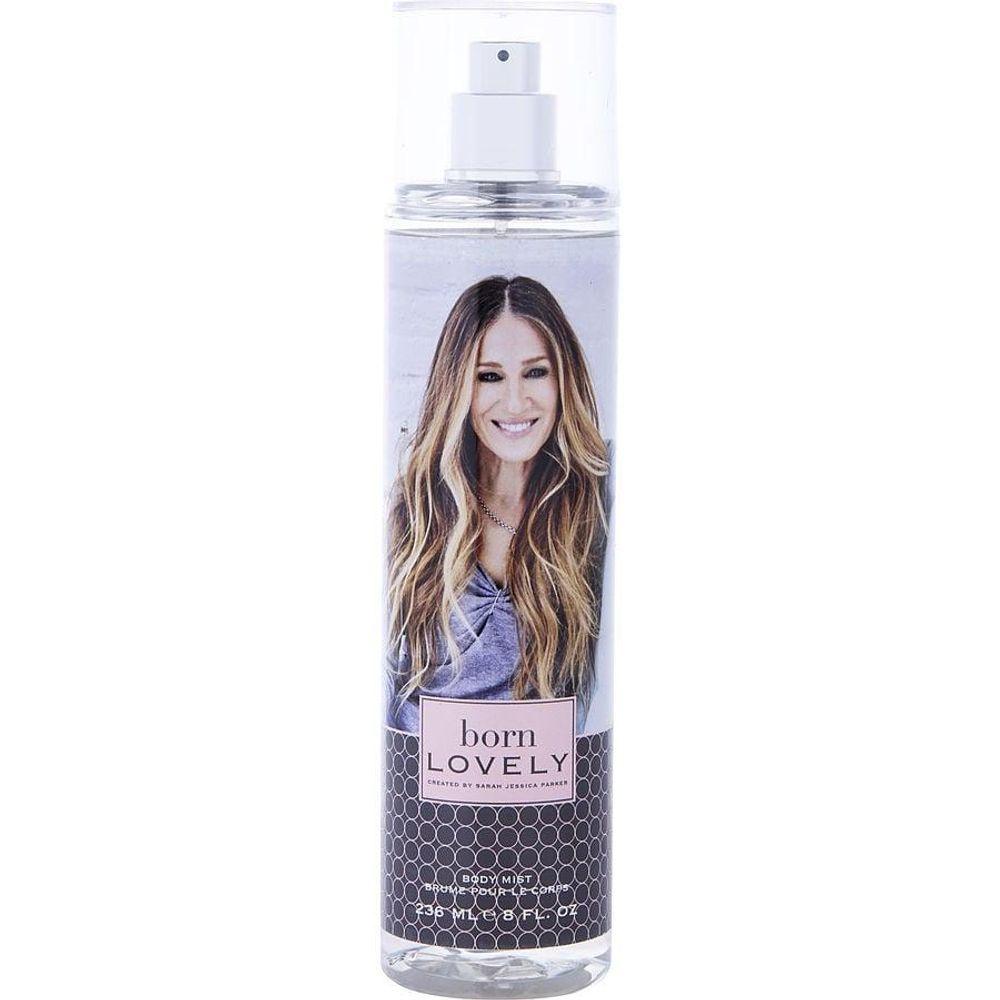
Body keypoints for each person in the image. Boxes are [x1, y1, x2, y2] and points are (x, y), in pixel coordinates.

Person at [386, 276, 610, 733]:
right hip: (421, 772)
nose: (515, 402)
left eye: (535, 372)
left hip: (553, 774)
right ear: (458, 388)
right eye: (489, 376)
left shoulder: (596, 500)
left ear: (563, 379)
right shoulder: (417, 508)